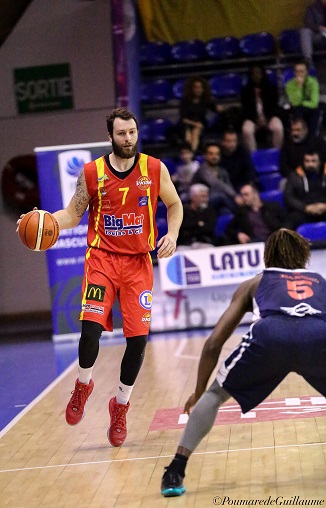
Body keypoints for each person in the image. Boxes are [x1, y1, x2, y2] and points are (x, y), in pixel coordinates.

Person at [17, 107, 183, 447]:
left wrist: (174, 234)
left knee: (137, 341)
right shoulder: (92, 173)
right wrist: (44, 219)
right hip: (102, 260)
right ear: (110, 137)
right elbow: (71, 214)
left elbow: (175, 204)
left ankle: (120, 407)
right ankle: (83, 384)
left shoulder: (153, 168)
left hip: (138, 263)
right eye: (121, 133)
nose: (128, 139)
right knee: (90, 328)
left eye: (132, 132)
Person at [160, 228, 326, 497]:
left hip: (271, 333)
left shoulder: (255, 283)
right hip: (318, 335)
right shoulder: (319, 280)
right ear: (303, 253)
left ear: (267, 255)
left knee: (215, 394)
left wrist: (200, 391)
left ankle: (175, 470)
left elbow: (214, 343)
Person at [241, 64, 284, 153]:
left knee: (278, 127)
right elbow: (245, 109)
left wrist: (267, 119)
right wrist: (255, 119)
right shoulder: (245, 91)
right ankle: (253, 154)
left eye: (259, 73)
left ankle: (277, 152)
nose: (256, 76)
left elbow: (274, 107)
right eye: (254, 74)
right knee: (246, 130)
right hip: (253, 119)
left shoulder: (271, 89)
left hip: (269, 117)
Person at [191, 142, 242, 215]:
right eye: (211, 154)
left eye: (217, 154)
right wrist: (235, 196)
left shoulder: (222, 171)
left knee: (226, 211)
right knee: (221, 196)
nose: (214, 157)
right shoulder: (202, 170)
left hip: (218, 203)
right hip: (203, 201)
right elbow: (216, 184)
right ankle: (241, 212)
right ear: (205, 156)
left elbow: (229, 186)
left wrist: (236, 196)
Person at [284, 148, 326, 230]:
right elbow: (288, 197)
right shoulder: (295, 176)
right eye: (307, 161)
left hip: (324, 208)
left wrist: (325, 206)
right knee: (291, 219)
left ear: (320, 162)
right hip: (304, 210)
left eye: (313, 161)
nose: (310, 164)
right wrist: (304, 208)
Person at [179, 76, 223, 153]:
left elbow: (215, 108)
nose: (198, 90)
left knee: (196, 131)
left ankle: (191, 153)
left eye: (200, 88)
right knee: (188, 136)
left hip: (201, 124)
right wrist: (195, 124)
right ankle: (189, 153)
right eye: (196, 87)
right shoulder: (185, 101)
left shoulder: (206, 100)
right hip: (187, 124)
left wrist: (219, 109)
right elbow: (184, 119)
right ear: (192, 89)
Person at [285, 60, 320, 136]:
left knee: (316, 111)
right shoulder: (289, 84)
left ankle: (312, 137)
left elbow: (314, 103)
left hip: (310, 108)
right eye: (297, 71)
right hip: (297, 109)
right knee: (297, 110)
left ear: (307, 72)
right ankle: (299, 136)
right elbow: (295, 103)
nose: (299, 74)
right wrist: (299, 87)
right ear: (294, 72)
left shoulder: (313, 83)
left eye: (302, 71)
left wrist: (303, 103)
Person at [177, 183, 218, 249]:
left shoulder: (209, 210)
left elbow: (209, 228)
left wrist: (191, 227)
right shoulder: (183, 210)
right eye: (202, 196)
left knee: (211, 249)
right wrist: (197, 223)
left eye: (206, 196)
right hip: (185, 244)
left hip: (204, 242)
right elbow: (181, 227)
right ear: (193, 197)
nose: (206, 199)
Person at [299, 0, 326, 68]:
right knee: (304, 31)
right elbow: (308, 24)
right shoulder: (312, 8)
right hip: (320, 36)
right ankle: (308, 61)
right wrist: (318, 27)